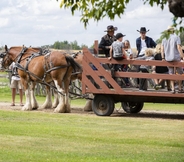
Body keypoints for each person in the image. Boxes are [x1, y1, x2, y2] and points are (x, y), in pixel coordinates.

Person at [161, 26, 184, 94]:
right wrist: (183, 57)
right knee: (180, 73)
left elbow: (162, 49)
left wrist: (163, 58)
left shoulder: (164, 38)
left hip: (168, 58)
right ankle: (180, 88)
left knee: (171, 73)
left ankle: (173, 89)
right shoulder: (176, 37)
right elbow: (179, 47)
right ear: (173, 31)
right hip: (176, 58)